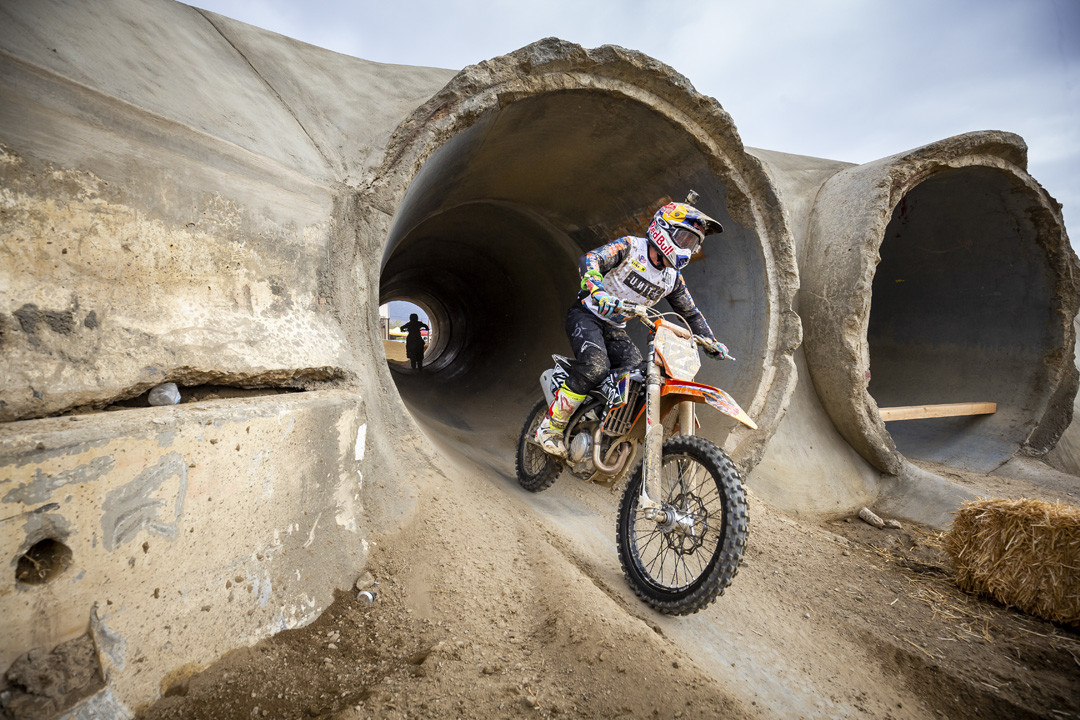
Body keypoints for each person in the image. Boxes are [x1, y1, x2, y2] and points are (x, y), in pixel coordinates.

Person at [535, 200, 729, 457]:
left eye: (693, 243)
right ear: (663, 229)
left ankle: (600, 422)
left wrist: (710, 341)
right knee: (595, 366)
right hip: (586, 315)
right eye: (684, 238)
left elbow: (690, 312)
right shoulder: (631, 247)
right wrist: (597, 289)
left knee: (637, 376)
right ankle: (551, 428)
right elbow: (591, 259)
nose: (687, 247)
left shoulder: (672, 279)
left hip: (615, 327)